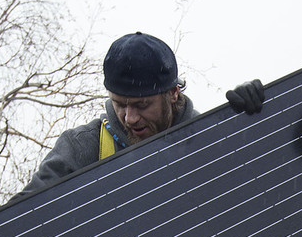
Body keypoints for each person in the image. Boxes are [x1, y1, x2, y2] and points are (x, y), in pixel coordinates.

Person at [19, 32, 266, 197]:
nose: (129, 118)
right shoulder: (82, 148)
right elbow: (25, 218)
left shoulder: (209, 139)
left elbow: (259, 192)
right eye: (119, 104)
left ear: (173, 93)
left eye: (141, 105)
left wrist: (251, 123)